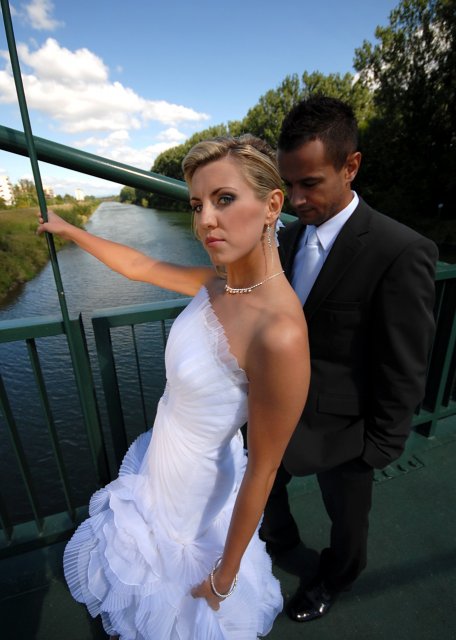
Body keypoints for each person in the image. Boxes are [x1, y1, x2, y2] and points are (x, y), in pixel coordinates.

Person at [36, 134, 310, 639]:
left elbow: (264, 469)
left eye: (223, 199)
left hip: (197, 490)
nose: (205, 220)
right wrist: (68, 229)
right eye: (197, 205)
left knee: (181, 608)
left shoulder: (280, 335)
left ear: (273, 205)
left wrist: (223, 580)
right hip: (165, 458)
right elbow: (139, 266)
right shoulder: (219, 282)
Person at [259, 96, 438, 623]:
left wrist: (377, 448)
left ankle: (336, 577)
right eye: (289, 183)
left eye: (310, 183)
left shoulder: (400, 251)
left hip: (345, 432)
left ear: (351, 166)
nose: (295, 200)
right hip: (274, 413)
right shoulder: (287, 238)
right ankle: (281, 542)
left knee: (348, 521)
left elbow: (405, 363)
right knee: (264, 487)